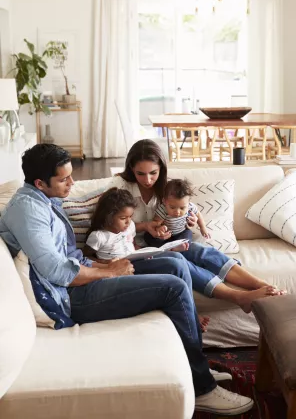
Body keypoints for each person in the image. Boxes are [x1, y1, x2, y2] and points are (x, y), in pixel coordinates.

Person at [0, 144, 253, 416]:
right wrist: (109, 272)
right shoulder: (29, 211)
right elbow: (58, 272)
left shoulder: (45, 199)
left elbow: (70, 257)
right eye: (64, 179)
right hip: (68, 298)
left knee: (175, 262)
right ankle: (203, 388)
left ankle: (196, 363)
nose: (72, 183)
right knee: (175, 288)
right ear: (40, 182)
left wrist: (107, 264)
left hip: (82, 277)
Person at [109, 139, 286, 313]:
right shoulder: (120, 188)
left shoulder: (167, 189)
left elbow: (183, 212)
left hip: (164, 242)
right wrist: (146, 226)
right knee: (180, 260)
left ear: (161, 168)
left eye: (153, 173)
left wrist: (190, 221)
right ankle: (238, 297)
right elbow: (109, 224)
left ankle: (263, 285)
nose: (148, 180)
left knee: (197, 250)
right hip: (135, 250)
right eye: (141, 173)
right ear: (131, 169)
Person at [85, 186, 210, 333]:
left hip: (135, 261)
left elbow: (131, 243)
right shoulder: (99, 236)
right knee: (172, 273)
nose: (128, 222)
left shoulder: (130, 226)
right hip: (119, 270)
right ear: (108, 216)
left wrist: (141, 252)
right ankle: (190, 317)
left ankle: (191, 313)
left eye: (130, 217)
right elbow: (86, 256)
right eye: (123, 218)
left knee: (177, 259)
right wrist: (106, 264)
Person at [145, 178, 210, 250]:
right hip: (166, 234)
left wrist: (202, 228)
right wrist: (159, 229)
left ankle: (177, 247)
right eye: (172, 207)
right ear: (164, 201)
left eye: (182, 208)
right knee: (148, 237)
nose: (177, 212)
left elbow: (198, 214)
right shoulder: (163, 209)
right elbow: (156, 222)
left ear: (188, 202)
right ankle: (168, 248)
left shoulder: (190, 206)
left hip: (181, 232)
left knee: (187, 236)